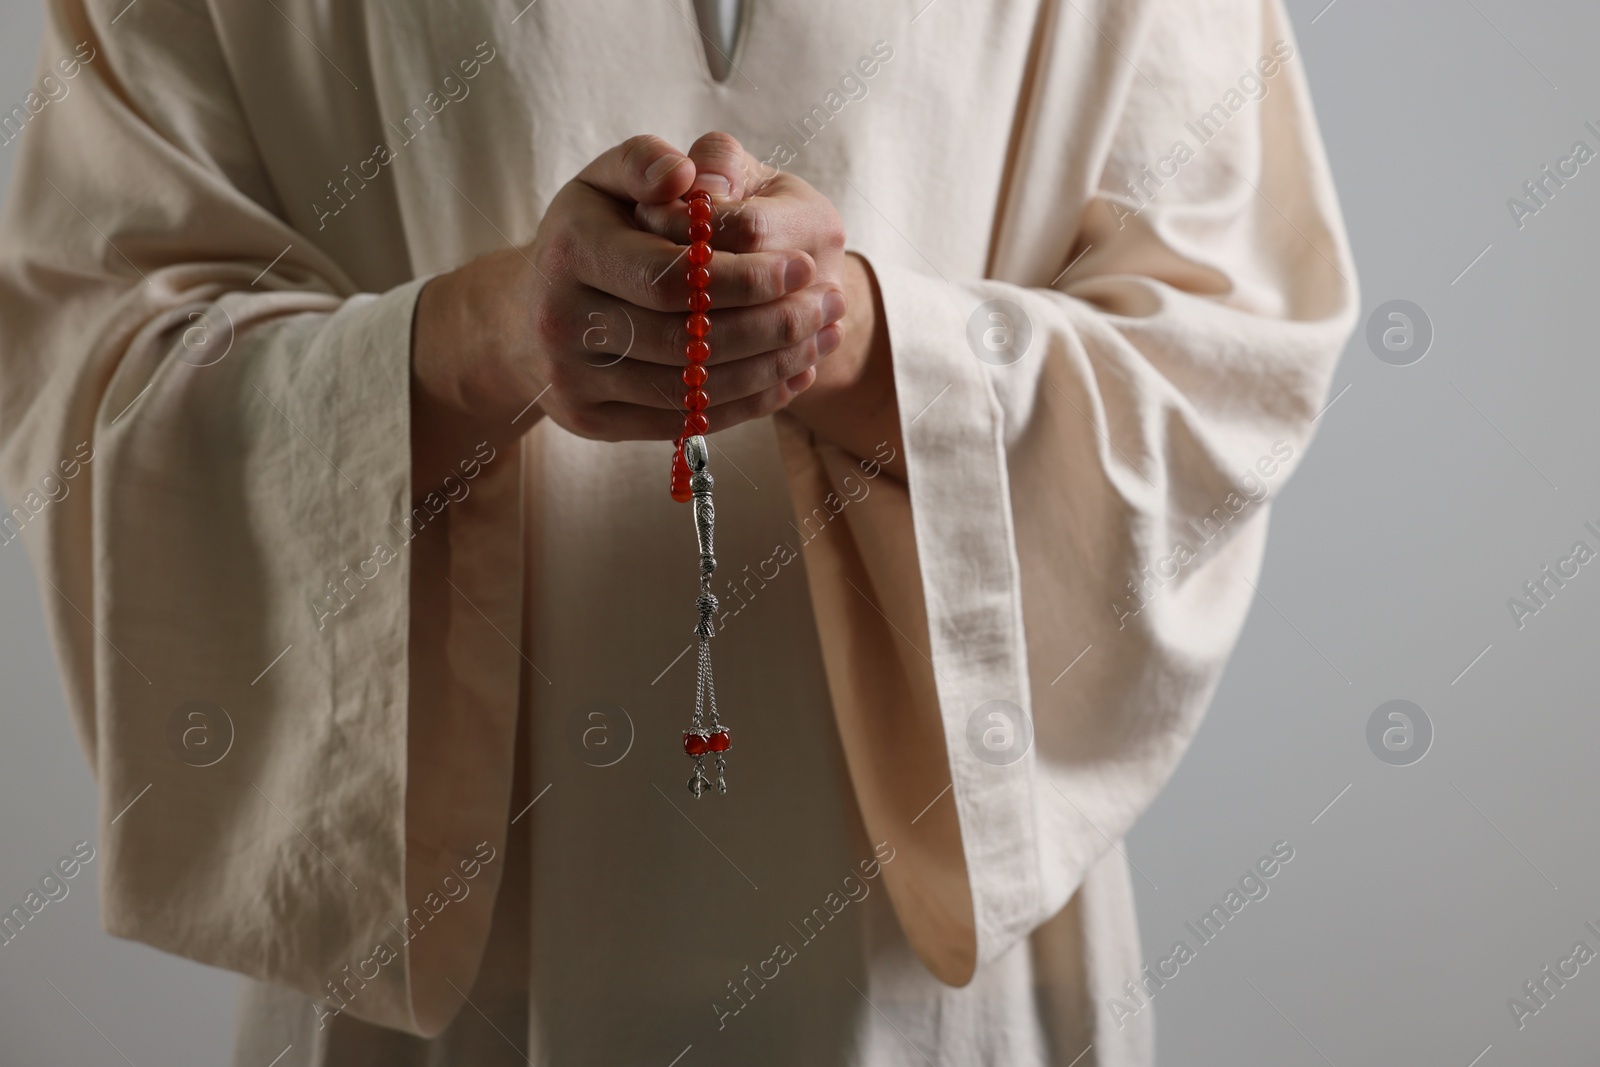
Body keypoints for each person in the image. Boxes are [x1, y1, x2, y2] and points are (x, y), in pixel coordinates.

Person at [0, 0, 1356, 1064]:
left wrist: (879, 352)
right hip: (454, 988)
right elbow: (89, 364)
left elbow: (1226, 353)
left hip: (934, 997)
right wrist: (468, 348)